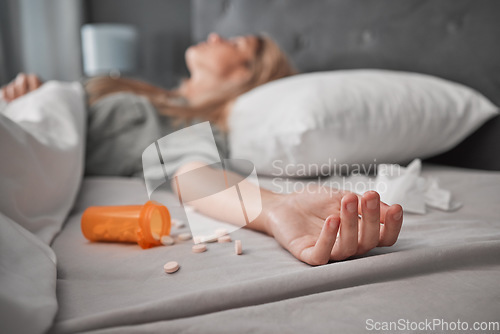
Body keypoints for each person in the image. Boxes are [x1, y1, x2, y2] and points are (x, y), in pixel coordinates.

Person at [1, 33, 403, 266]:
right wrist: (29, 95)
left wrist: (274, 207)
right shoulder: (147, 92)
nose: (214, 35)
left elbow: (194, 174)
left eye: (233, 41)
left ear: (249, 72)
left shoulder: (188, 127)